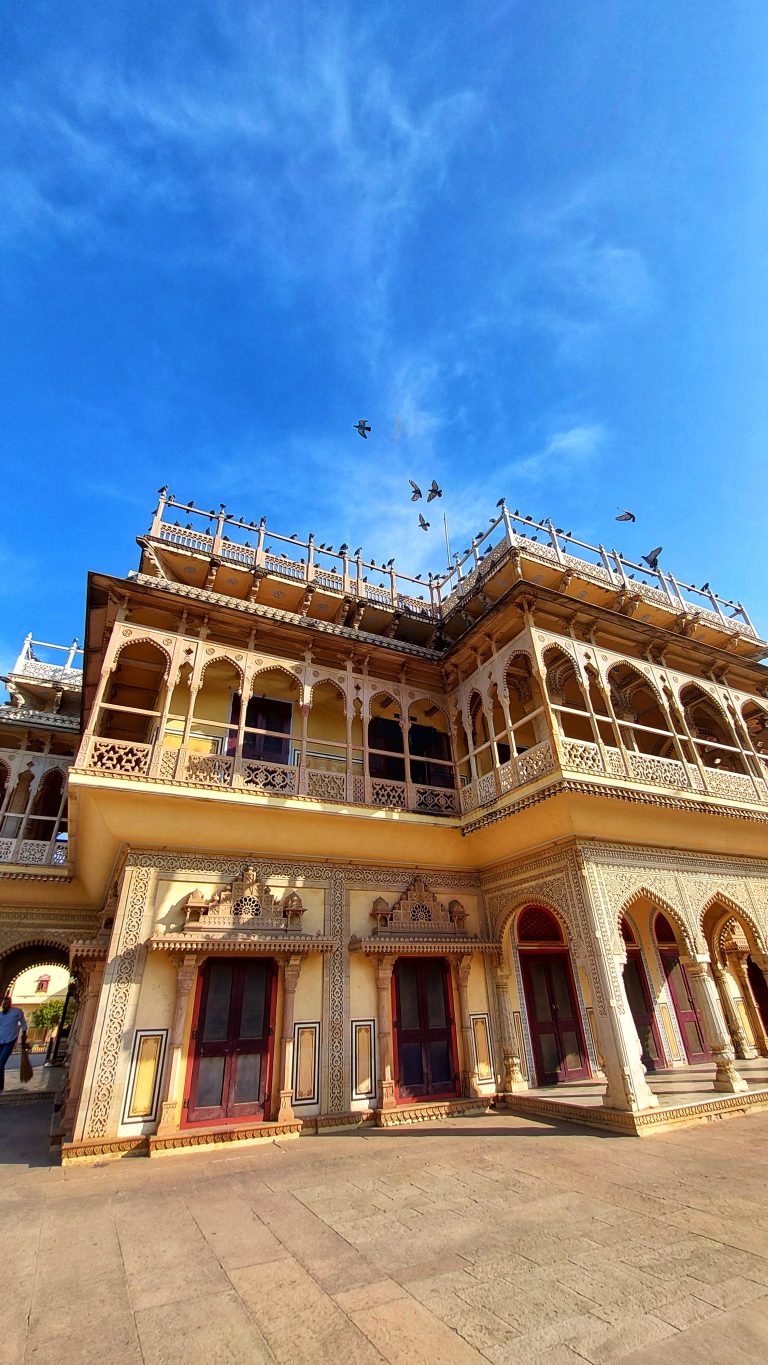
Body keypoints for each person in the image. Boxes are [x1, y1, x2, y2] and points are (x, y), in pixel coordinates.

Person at [0, 994, 28, 1091]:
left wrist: (24, 1034)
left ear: (10, 1003)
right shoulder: (0, 1014)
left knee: (1, 1062)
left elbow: (23, 1022)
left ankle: (0, 1085)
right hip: (0, 1039)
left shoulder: (16, 1012)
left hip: (9, 1040)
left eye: (7, 1002)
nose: (5, 1003)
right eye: (4, 1002)